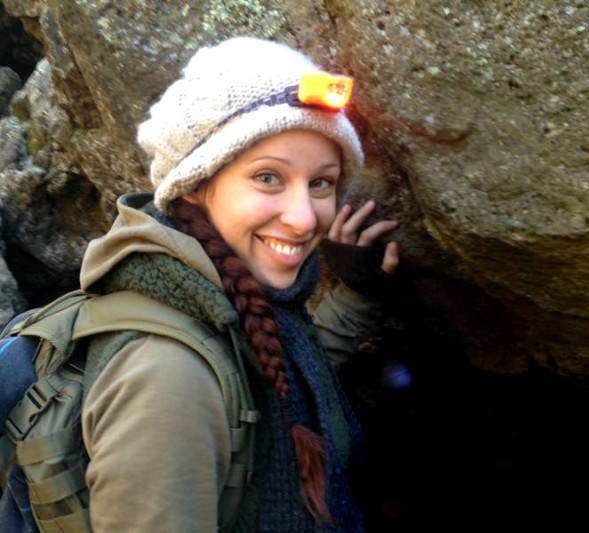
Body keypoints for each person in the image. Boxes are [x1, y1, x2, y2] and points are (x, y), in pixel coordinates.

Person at [78, 36, 399, 532]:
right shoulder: (167, 379)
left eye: (321, 183)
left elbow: (273, 379)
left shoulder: (223, 297)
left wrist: (354, 297)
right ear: (196, 186)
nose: (303, 218)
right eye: (268, 177)